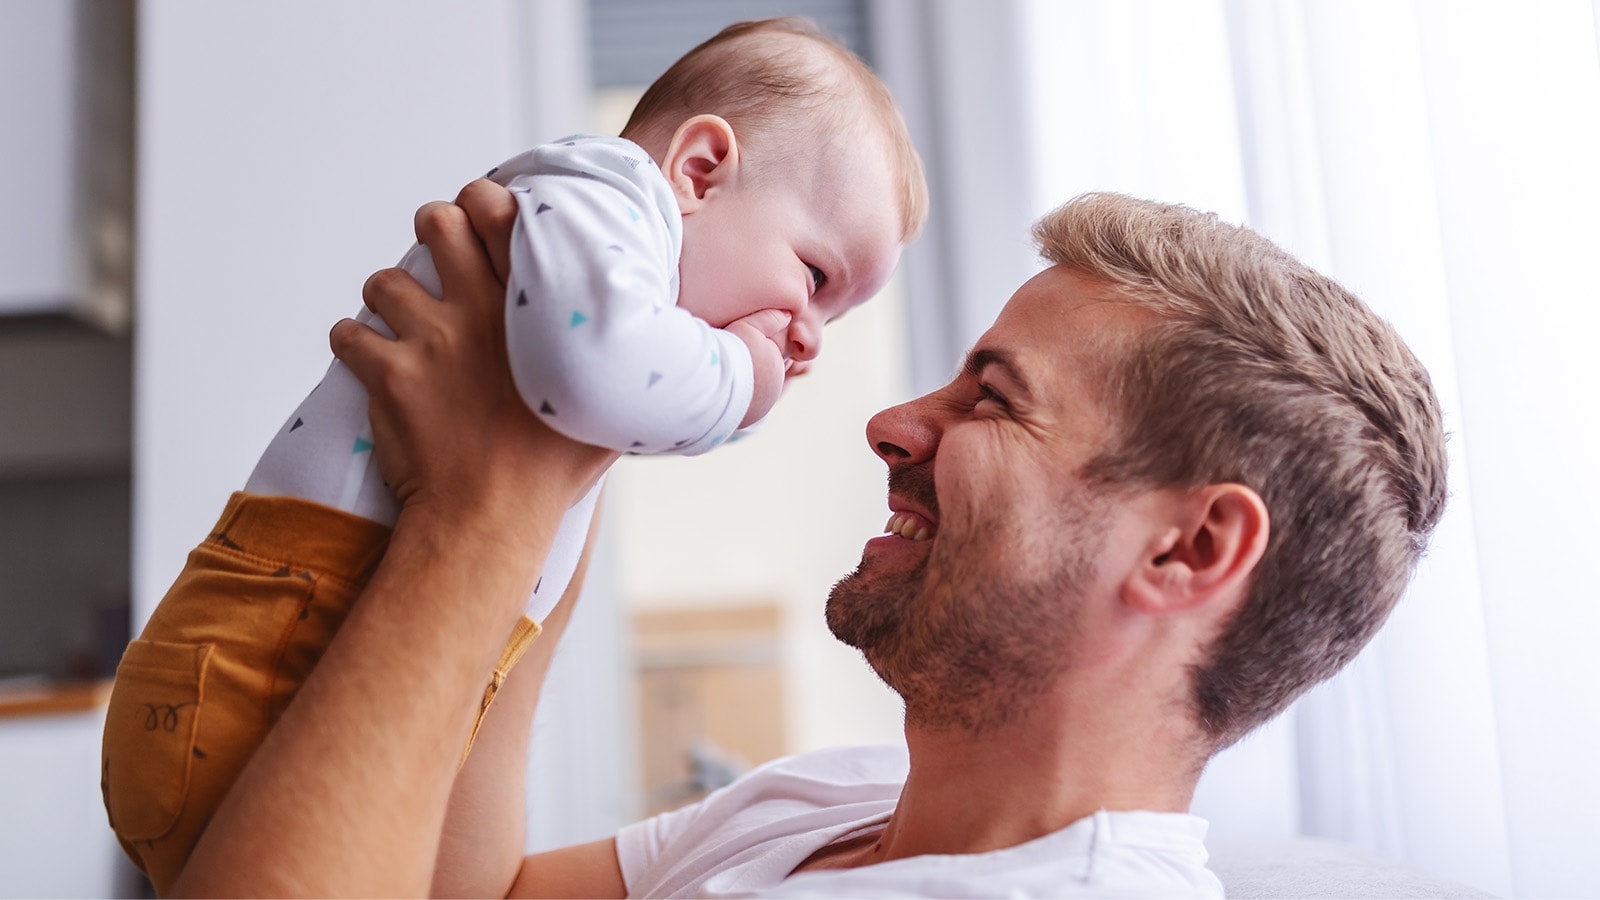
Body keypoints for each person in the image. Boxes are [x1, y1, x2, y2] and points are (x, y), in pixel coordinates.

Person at [169, 184, 1447, 898]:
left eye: (990, 398)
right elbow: (476, 895)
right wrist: (572, 427)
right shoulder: (834, 803)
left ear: (1187, 551)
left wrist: (478, 510)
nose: (894, 423)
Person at [100, 17, 927, 897]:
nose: (806, 341)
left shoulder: (605, 298)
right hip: (268, 652)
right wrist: (746, 377)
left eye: (831, 323)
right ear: (700, 170)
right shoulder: (603, 196)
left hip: (324, 675)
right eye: (815, 279)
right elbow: (593, 365)